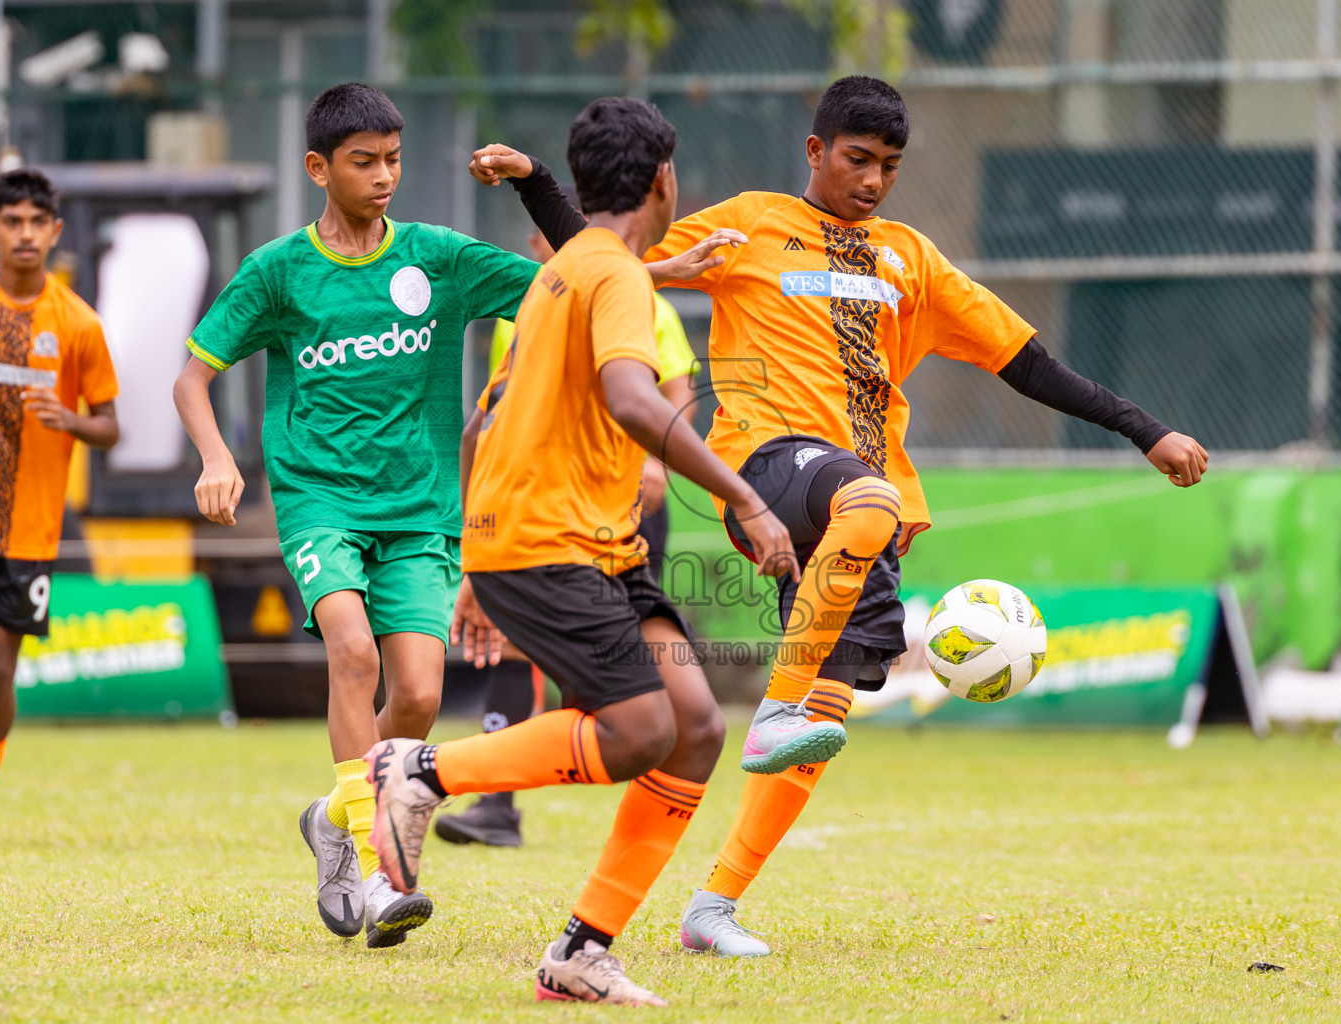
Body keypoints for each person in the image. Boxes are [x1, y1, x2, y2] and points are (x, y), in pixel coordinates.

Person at [490, 74, 1210, 957]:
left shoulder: (912, 259)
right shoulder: (751, 223)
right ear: (816, 151)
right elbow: (597, 249)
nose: (872, 181)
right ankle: (773, 708)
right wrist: (536, 182)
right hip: (769, 464)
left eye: (890, 166)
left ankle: (714, 907)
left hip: (861, 510)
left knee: (820, 723)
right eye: (858, 159)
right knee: (856, 526)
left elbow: (1028, 363)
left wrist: (1145, 430)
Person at [172, 82, 736, 949]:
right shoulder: (279, 271)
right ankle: (371, 871)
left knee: (421, 693)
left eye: (393, 160)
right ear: (319, 168)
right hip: (322, 501)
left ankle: (335, 815)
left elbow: (562, 285)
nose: (383, 176)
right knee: (353, 652)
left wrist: (660, 272)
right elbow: (193, 378)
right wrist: (216, 457)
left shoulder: (437, 257)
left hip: (424, 508)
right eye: (364, 162)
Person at [363, 96, 798, 1007]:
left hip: (589, 545)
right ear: (664, 181)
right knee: (639, 731)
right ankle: (420, 771)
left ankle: (580, 951)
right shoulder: (614, 277)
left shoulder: (567, 270)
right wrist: (748, 498)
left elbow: (483, 421)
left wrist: (474, 560)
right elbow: (637, 400)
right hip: (551, 544)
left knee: (695, 727)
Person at [433, 227, 699, 849]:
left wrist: (656, 461)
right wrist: (480, 540)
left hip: (621, 508)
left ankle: (625, 766)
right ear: (535, 242)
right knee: (515, 650)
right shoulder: (527, 308)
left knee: (629, 686)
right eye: (554, 233)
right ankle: (492, 801)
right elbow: (492, 422)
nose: (563, 245)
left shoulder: (641, 300)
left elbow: (675, 389)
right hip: (543, 510)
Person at [0, 168, 120, 848]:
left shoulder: (78, 323)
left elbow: (110, 427)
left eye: (38, 222)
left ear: (55, 231)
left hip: (27, 530)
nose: (26, 234)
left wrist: (70, 419)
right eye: (13, 222)